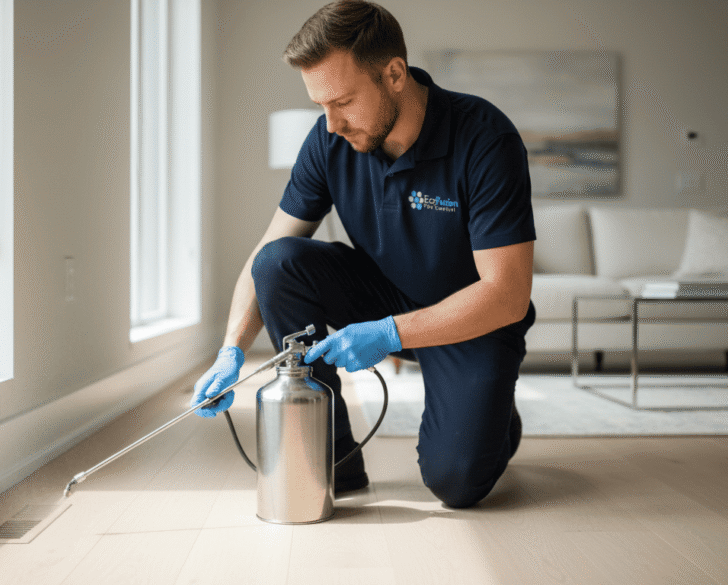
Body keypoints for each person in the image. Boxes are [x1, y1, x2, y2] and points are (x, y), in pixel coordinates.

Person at [192, 0, 535, 509]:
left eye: (343, 102)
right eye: (320, 106)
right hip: (383, 296)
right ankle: (333, 461)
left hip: (472, 319)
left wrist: (390, 334)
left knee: (456, 482)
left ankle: (495, 416)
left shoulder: (485, 138)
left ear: (394, 74)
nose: (331, 124)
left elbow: (507, 294)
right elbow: (268, 251)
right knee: (278, 263)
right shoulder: (329, 140)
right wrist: (231, 351)